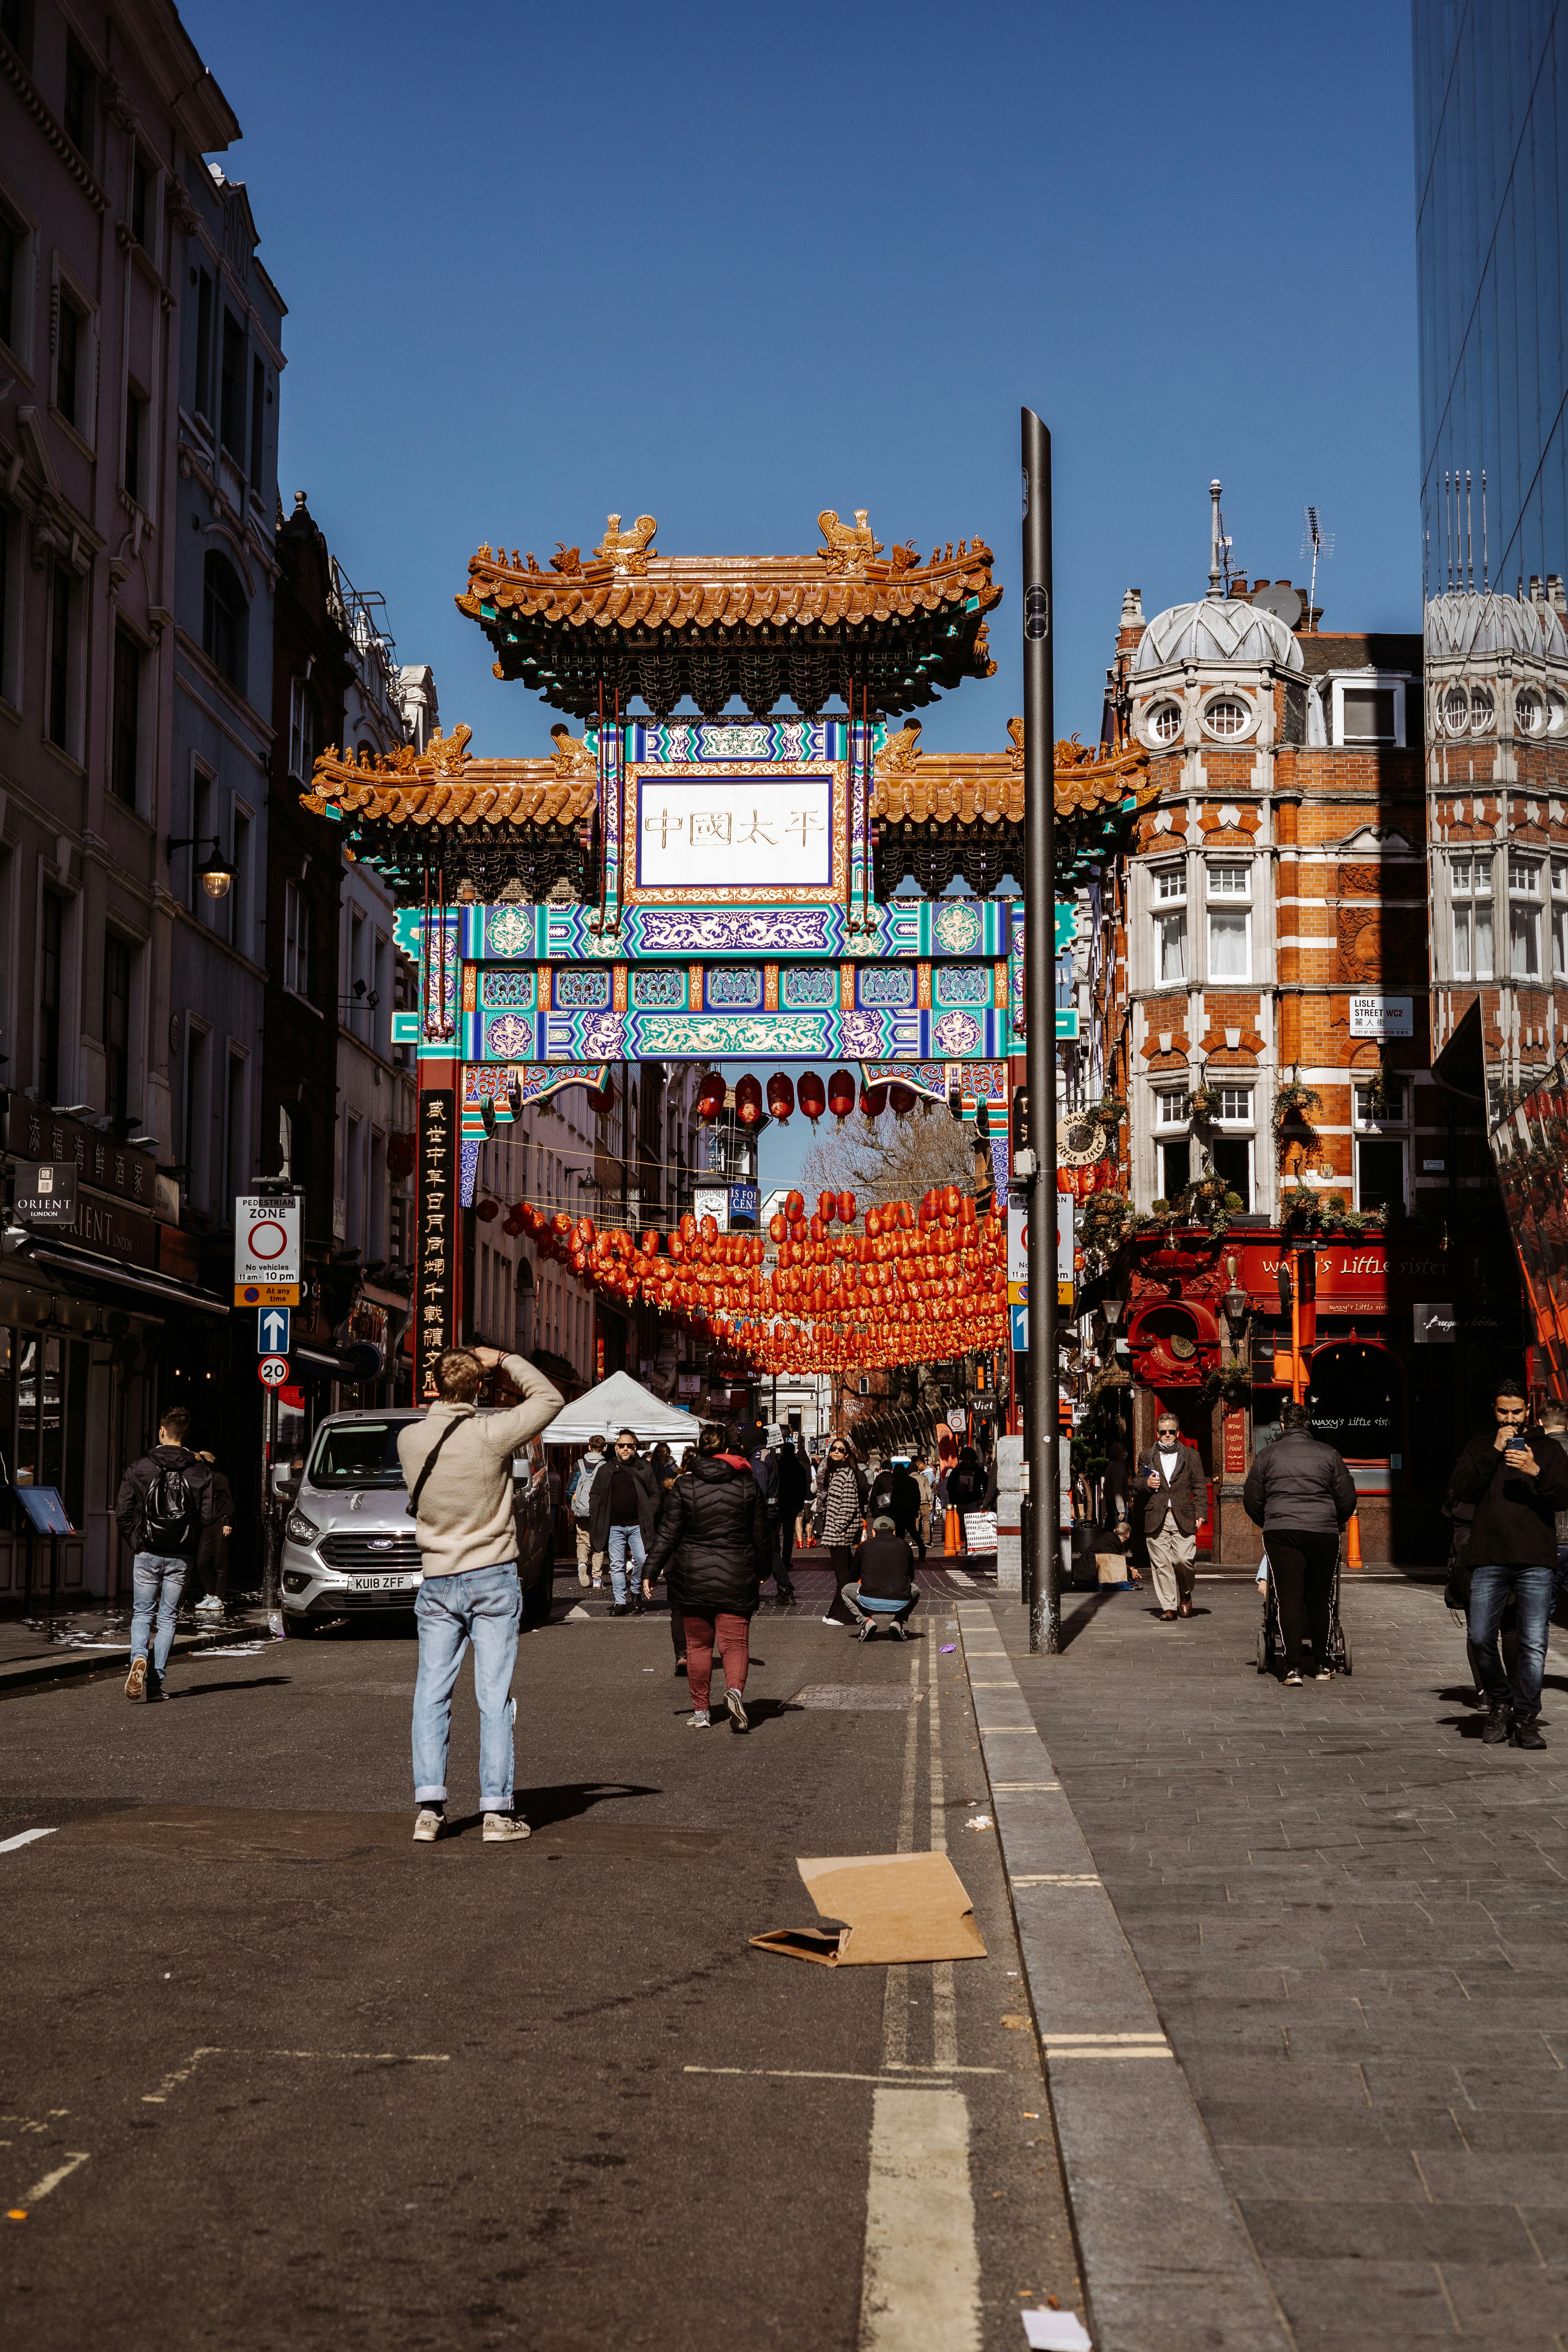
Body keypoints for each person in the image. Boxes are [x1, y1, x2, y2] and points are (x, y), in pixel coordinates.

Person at [398, 1343, 563, 1844]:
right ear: (478, 1388)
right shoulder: (491, 1434)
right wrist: (507, 1358)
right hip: (491, 1576)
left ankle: (429, 1809)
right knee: (493, 1696)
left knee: (432, 1693)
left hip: (438, 1580)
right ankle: (496, 1812)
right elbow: (549, 1399)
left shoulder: (409, 1439)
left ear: (434, 1385)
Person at [1447, 1378, 1568, 1747]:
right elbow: (1459, 1490)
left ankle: (1525, 1719)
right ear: (1494, 1411)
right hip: (1487, 1556)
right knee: (1480, 1636)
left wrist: (1534, 1471)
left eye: (1516, 1412)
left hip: (1534, 1558)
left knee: (1533, 1643)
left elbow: (1563, 1496)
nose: (1510, 1419)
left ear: (1526, 1411)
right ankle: (1500, 1700)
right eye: (1503, 1412)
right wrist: (1492, 1454)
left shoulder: (1546, 1450)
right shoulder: (1480, 1446)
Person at [643, 1421, 770, 1731]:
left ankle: (702, 1711)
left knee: (698, 1646)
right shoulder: (747, 1485)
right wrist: (763, 1571)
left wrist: (650, 1571)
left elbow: (668, 1534)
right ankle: (735, 1692)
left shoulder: (685, 1485)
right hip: (736, 1574)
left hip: (692, 1575)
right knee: (735, 1644)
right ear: (728, 1450)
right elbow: (762, 1536)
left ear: (699, 1450)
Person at [1242, 1400, 1356, 1683]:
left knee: (1288, 1597)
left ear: (1283, 1425)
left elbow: (1252, 1499)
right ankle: (1322, 1664)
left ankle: (1292, 1666)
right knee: (1320, 1597)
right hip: (1323, 1531)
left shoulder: (1267, 1455)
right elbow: (1347, 1497)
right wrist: (1334, 1520)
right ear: (1308, 1424)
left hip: (1282, 1531)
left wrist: (1270, 1520)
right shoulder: (1329, 1454)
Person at [115, 1407, 217, 1701]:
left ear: (162, 1432)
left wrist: (137, 1542)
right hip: (181, 1555)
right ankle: (156, 1684)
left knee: (142, 1613)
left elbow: (123, 1512)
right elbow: (209, 1517)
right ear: (185, 1436)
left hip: (147, 1550)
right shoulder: (200, 1471)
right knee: (168, 1618)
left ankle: (138, 1657)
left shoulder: (140, 1467)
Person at [1135, 1413, 1206, 1620]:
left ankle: (1185, 1591)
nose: (1168, 1435)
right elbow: (1138, 1482)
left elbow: (1200, 1487)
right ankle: (1169, 1606)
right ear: (1158, 1433)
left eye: (1172, 1432)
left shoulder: (1192, 1456)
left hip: (1184, 1515)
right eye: (1163, 1432)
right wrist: (1145, 1484)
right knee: (1161, 1564)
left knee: (1184, 1560)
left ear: (1177, 1433)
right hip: (1156, 1515)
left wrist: (1201, 1513)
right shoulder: (1147, 1456)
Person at [588, 1428, 660, 1615]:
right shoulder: (605, 1470)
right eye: (622, 1445)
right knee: (617, 1565)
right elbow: (595, 1495)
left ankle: (636, 1590)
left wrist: (649, 1513)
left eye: (629, 1445)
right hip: (614, 1526)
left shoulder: (644, 1469)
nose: (625, 1448)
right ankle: (620, 1601)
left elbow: (655, 1494)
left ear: (635, 1448)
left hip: (638, 1525)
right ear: (616, 1448)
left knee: (643, 1560)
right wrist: (596, 1513)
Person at [812, 1433, 867, 1623]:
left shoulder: (846, 1473)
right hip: (837, 1531)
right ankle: (835, 1613)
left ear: (847, 1454)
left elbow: (850, 1504)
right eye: (834, 1449)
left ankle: (844, 1615)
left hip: (839, 1533)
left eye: (841, 1450)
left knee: (843, 1576)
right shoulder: (837, 1472)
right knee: (848, 1573)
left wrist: (838, 1527)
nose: (836, 1452)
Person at [843, 1512, 920, 1640]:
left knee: (845, 1591)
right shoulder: (905, 1546)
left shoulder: (864, 1547)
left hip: (868, 1601)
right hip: (900, 1602)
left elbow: (852, 1577)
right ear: (894, 1532)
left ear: (874, 1532)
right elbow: (911, 1577)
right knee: (916, 1590)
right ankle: (898, 1622)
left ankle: (866, 1621)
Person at [190, 1450, 235, 1619]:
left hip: (220, 1523)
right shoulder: (200, 1480)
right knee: (202, 1561)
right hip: (207, 1525)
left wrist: (228, 1521)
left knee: (220, 1562)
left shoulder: (217, 1477)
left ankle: (219, 1597)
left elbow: (228, 1500)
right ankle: (210, 1594)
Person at [567, 1435, 606, 1589]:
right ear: (604, 1449)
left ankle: (582, 1563)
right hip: (599, 1512)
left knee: (583, 1541)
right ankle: (597, 1578)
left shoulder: (578, 1465)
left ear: (589, 1447)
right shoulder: (606, 1466)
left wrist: (575, 1507)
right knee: (599, 1544)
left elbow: (570, 1490)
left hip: (582, 1511)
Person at [775, 1438, 810, 1605]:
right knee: (788, 1533)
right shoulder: (799, 1468)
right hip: (792, 1505)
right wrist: (799, 1503)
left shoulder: (778, 1466)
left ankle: (775, 1556)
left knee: (775, 1531)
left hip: (778, 1503)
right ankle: (786, 1558)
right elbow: (803, 1487)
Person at [867, 1455, 926, 1554]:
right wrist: (916, 1508)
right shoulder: (913, 1481)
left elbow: (894, 1497)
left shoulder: (897, 1482)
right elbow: (918, 1496)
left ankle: (901, 1552)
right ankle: (921, 1545)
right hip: (911, 1510)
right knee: (912, 1530)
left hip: (900, 1511)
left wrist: (893, 1509)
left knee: (900, 1532)